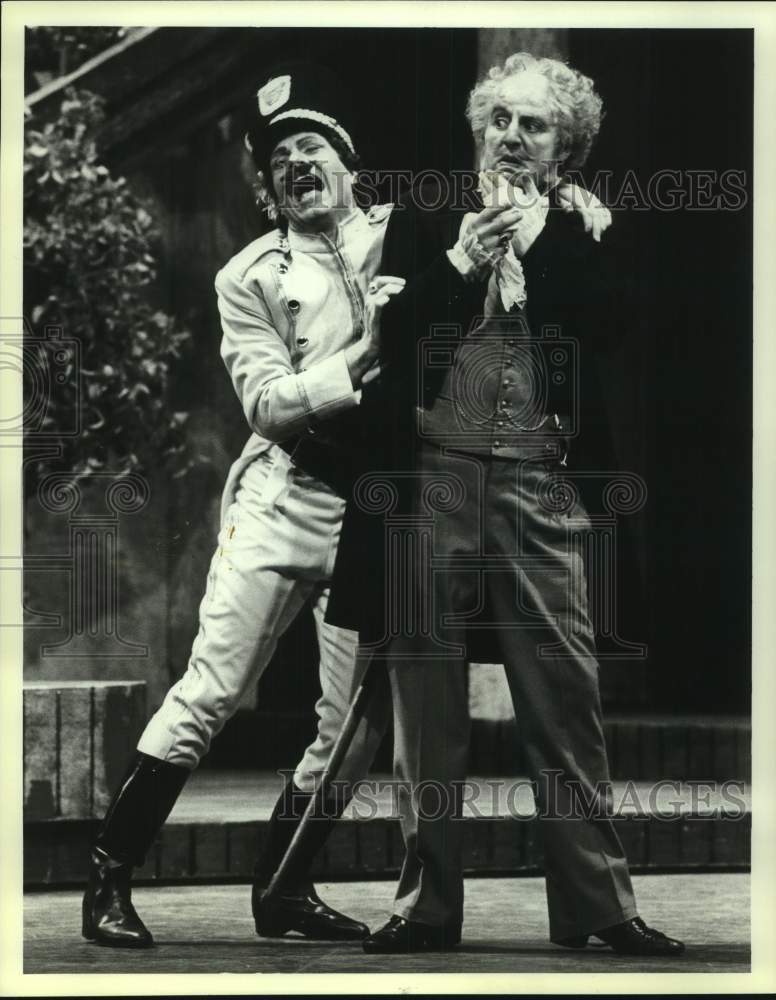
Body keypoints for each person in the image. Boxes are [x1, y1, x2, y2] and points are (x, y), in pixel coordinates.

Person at [326, 52, 685, 956]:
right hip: (433, 477)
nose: (512, 139)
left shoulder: (585, 230)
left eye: (534, 126)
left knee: (566, 700)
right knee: (426, 706)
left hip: (541, 482)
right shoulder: (417, 223)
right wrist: (460, 257)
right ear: (478, 129)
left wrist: (534, 241)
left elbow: (614, 328)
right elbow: (391, 348)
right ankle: (425, 906)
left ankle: (600, 909)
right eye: (500, 121)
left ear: (566, 150)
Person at [81, 62, 403, 949]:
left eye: (314, 148)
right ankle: (108, 880)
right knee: (211, 689)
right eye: (281, 160)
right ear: (268, 193)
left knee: (349, 731)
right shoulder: (248, 274)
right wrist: (362, 361)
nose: (298, 163)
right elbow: (265, 401)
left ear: (349, 166)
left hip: (366, 511)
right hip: (280, 495)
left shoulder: (399, 240)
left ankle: (284, 889)